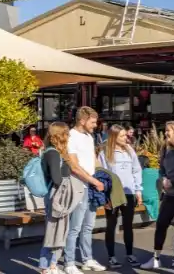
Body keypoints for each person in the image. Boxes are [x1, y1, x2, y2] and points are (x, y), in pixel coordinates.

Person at [141, 119, 174, 270]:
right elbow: (161, 166)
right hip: (169, 194)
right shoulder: (166, 148)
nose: (166, 133)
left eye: (168, 130)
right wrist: (163, 177)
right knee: (161, 223)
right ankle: (156, 258)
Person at [63, 107, 107, 273]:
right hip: (78, 186)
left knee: (88, 226)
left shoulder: (89, 137)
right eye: (93, 122)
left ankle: (87, 259)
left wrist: (104, 176)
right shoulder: (71, 137)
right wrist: (93, 180)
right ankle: (69, 263)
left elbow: (93, 159)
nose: (95, 125)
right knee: (75, 227)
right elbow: (74, 166)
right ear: (82, 120)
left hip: (92, 186)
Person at [98, 125, 143, 268]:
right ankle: (111, 256)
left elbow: (136, 171)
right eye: (122, 136)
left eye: (126, 135)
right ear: (114, 137)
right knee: (111, 225)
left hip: (128, 192)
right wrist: (104, 195)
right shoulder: (105, 152)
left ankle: (130, 254)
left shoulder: (130, 151)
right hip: (112, 194)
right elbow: (102, 174)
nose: (126, 138)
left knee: (128, 225)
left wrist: (138, 191)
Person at [38, 122, 74, 274]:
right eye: (66, 133)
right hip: (56, 195)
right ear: (60, 135)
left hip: (57, 194)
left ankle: (52, 265)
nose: (69, 136)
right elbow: (57, 178)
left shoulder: (55, 152)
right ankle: (46, 267)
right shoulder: (53, 153)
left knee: (59, 231)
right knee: (53, 231)